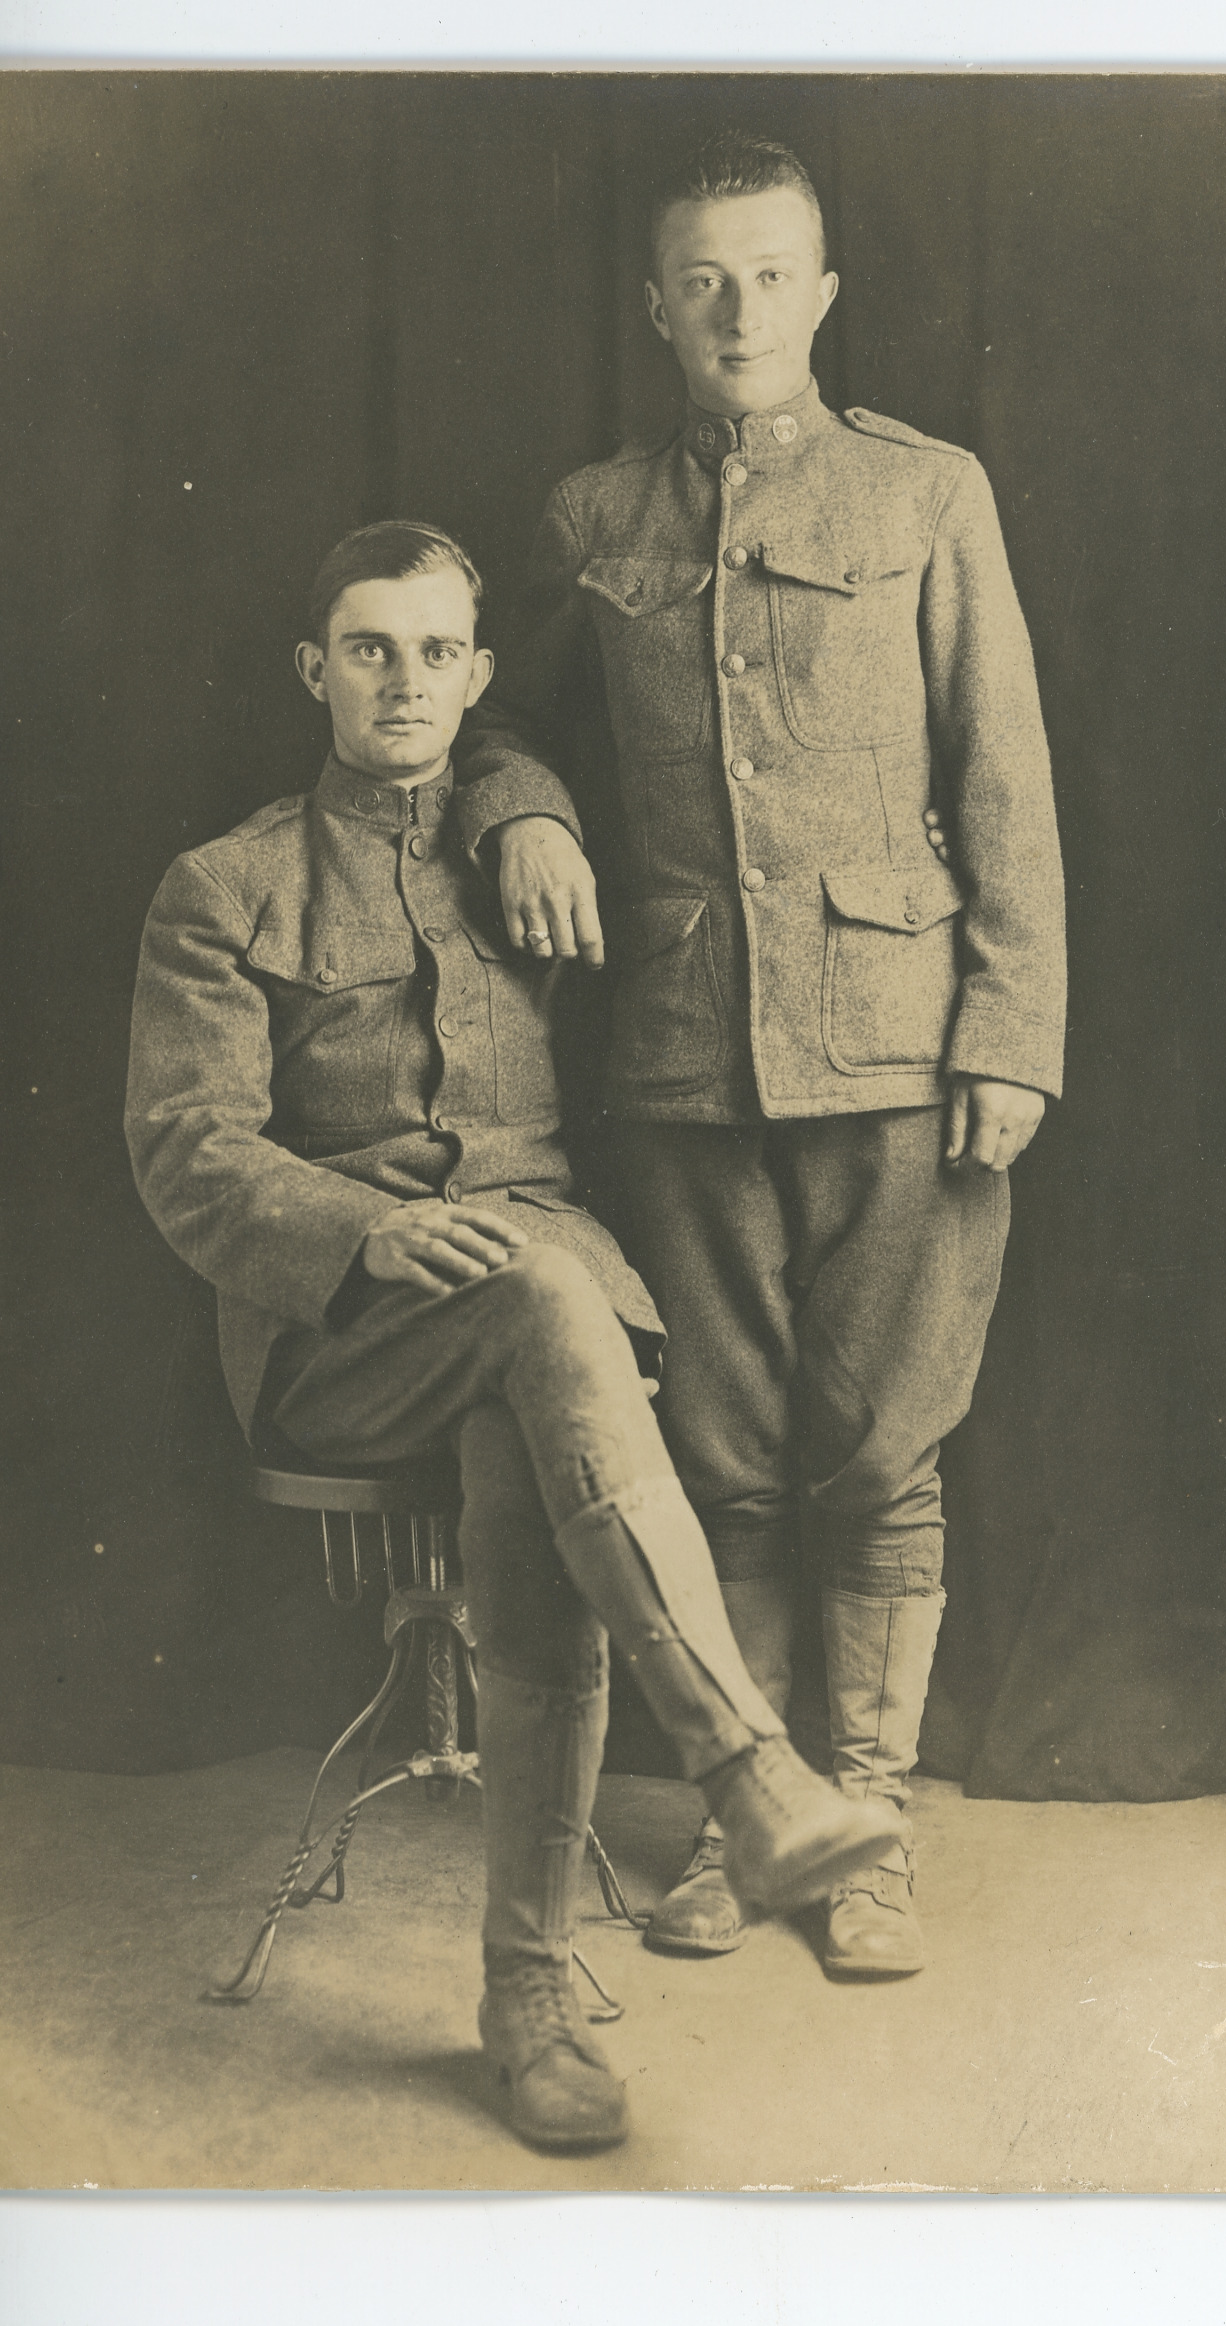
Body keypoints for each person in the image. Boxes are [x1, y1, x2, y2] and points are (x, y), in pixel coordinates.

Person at [123, 520, 898, 2153]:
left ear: (476, 678)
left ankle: (525, 2002)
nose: (401, 683)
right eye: (365, 649)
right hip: (334, 1329)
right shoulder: (228, 884)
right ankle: (750, 1773)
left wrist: (525, 796)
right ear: (311, 669)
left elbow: (522, 763)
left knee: (538, 1389)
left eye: (433, 654)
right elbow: (188, 1152)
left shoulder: (515, 838)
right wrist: (369, 1229)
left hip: (540, 1325)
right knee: (547, 1302)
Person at [456, 133, 1067, 1978]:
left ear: (822, 295)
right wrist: (521, 823)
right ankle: (757, 1819)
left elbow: (1003, 774)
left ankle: (863, 1837)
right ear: (656, 308)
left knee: (878, 1457)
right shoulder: (589, 520)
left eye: (769, 275)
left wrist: (1011, 1029)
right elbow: (509, 734)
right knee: (715, 1460)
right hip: (674, 1060)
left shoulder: (925, 494)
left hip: (900, 1050)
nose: (736, 311)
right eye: (700, 281)